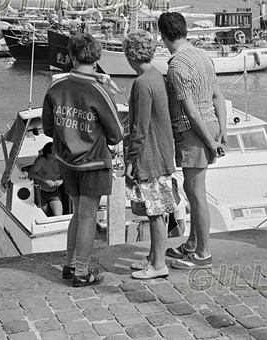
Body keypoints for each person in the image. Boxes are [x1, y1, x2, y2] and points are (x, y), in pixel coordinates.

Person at [42, 33, 123, 287]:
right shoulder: (99, 90)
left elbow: (47, 129)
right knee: (88, 216)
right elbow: (116, 134)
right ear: (96, 57)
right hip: (93, 162)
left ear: (71, 56)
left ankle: (69, 264)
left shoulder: (56, 87)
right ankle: (81, 271)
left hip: (66, 161)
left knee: (77, 213)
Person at [159, 12, 227, 270]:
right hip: (210, 124)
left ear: (163, 36)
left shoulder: (176, 65)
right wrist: (223, 131)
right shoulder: (202, 55)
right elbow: (218, 96)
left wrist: (210, 142)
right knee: (191, 189)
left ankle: (203, 254)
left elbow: (191, 111)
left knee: (196, 194)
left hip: (193, 131)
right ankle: (191, 243)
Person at [122, 30, 177, 279]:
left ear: (129, 55)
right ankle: (154, 258)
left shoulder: (142, 83)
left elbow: (139, 127)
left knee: (154, 212)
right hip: (162, 151)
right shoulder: (157, 76)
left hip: (150, 155)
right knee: (159, 210)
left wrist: (130, 160)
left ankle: (158, 265)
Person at [28, 142, 64, 216]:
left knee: (58, 216)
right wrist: (45, 180)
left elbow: (68, 174)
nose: (58, 152)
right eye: (55, 151)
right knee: (46, 216)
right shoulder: (41, 161)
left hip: (55, 193)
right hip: (42, 193)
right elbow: (31, 174)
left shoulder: (61, 161)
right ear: (48, 153)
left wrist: (61, 181)